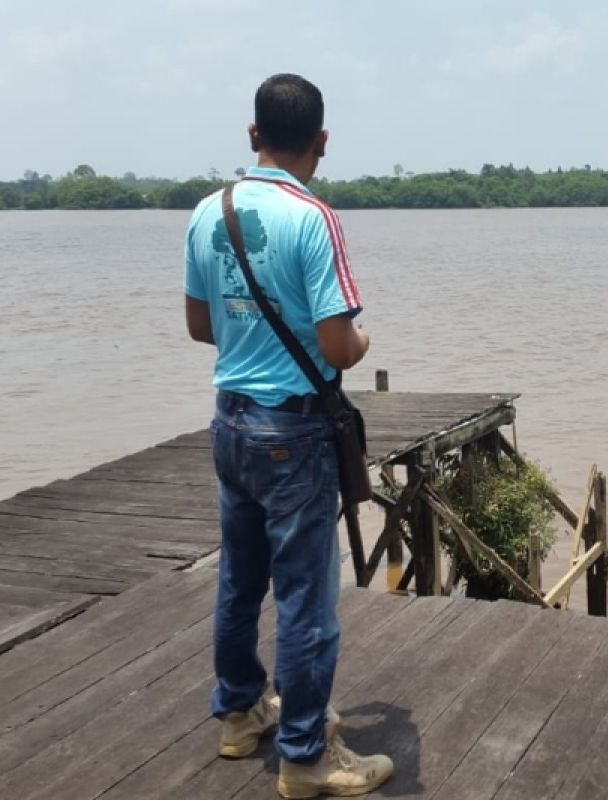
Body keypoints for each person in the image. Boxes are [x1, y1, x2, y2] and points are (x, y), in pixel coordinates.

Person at [184, 73, 392, 798]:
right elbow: (338, 348)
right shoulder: (317, 219)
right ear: (322, 143)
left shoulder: (208, 212)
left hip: (229, 421)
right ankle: (306, 759)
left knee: (239, 582)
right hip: (293, 434)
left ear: (252, 136)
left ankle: (240, 714)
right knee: (307, 600)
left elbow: (199, 326)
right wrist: (362, 339)